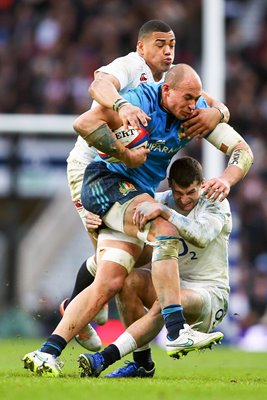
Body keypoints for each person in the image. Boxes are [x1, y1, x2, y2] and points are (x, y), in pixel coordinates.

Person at [22, 63, 253, 377]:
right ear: (166, 90)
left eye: (197, 98)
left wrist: (224, 159)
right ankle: (175, 329)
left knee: (114, 278)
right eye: (188, 97)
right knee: (164, 229)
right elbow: (85, 121)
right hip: (105, 182)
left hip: (134, 194)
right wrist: (124, 152)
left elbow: (242, 150)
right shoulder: (139, 102)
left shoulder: (193, 115)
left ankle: (47, 352)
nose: (193, 104)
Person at [63, 19, 230, 351]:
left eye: (172, 45)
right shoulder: (130, 66)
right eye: (160, 45)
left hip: (133, 174)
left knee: (133, 258)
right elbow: (98, 86)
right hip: (96, 164)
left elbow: (208, 103)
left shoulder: (171, 83)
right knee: (113, 258)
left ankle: (126, 339)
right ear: (142, 47)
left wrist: (220, 112)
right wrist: (122, 106)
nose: (167, 51)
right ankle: (75, 312)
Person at [77, 156, 231, 378]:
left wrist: (165, 212)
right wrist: (95, 217)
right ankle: (142, 363)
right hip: (173, 283)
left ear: (202, 184)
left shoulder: (215, 202)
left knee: (168, 300)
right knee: (129, 282)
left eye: (191, 193)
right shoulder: (159, 200)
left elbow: (202, 236)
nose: (185, 199)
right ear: (170, 184)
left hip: (210, 293)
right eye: (179, 193)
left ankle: (105, 358)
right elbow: (120, 215)